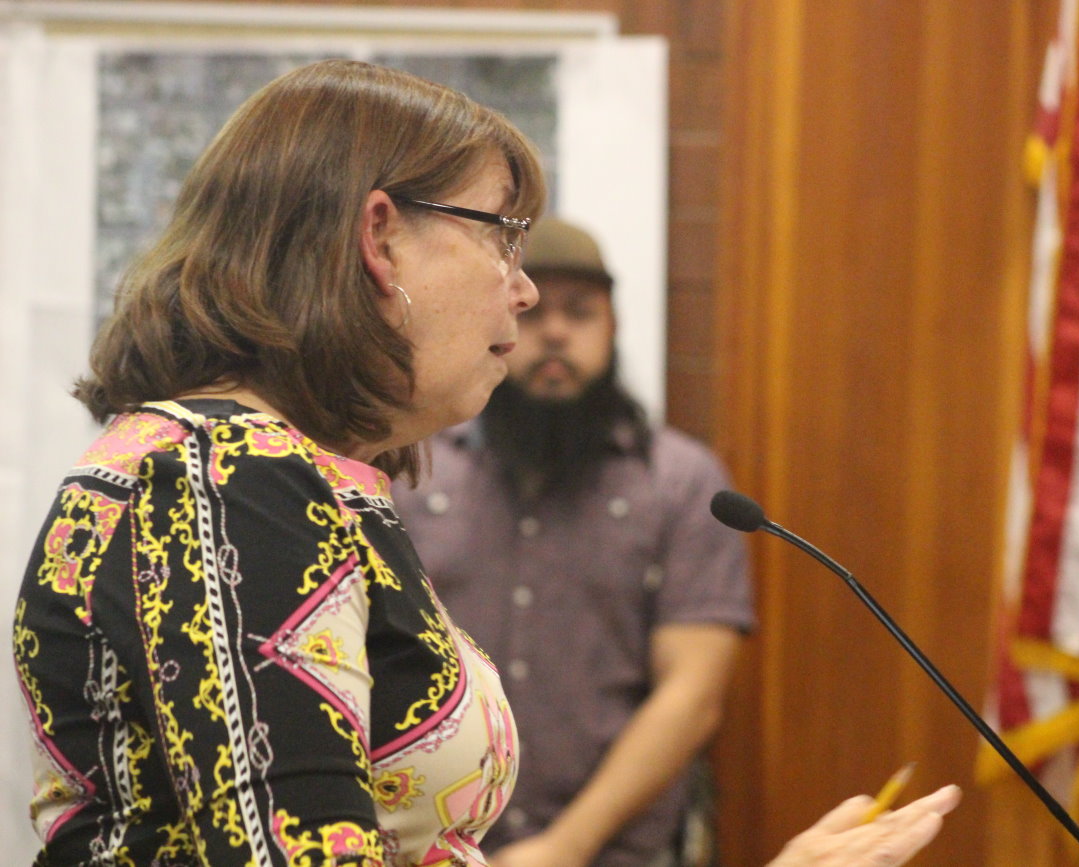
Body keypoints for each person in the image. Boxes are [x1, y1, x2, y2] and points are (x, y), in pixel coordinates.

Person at [9, 59, 959, 867]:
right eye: (501, 233)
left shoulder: (283, 470)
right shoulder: (226, 476)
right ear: (379, 237)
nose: (525, 286)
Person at [393, 216, 749, 867]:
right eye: (533, 314)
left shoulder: (680, 482)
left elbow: (692, 695)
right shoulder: (413, 471)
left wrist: (566, 846)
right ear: (494, 322)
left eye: (581, 313)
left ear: (613, 329)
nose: (555, 332)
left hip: (614, 852)